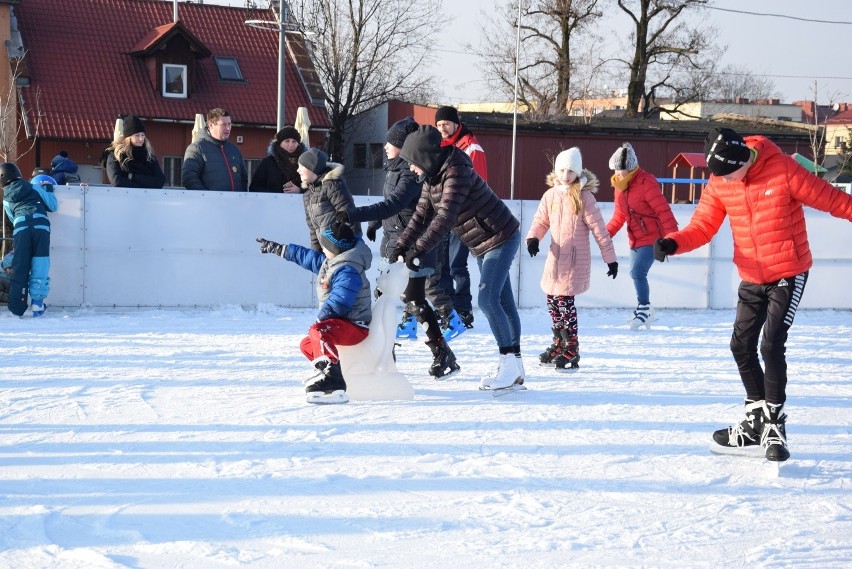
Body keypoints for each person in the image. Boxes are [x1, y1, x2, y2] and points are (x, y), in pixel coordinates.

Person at [654, 126, 852, 462]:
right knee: (740, 345)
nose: (727, 181)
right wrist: (673, 243)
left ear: (743, 159)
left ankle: (775, 425)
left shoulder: (784, 170)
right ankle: (755, 420)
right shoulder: (721, 180)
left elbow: (835, 201)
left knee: (771, 343)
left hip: (789, 271)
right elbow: (702, 226)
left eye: (731, 174)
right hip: (751, 274)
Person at [397, 125, 523, 392]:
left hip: (500, 235)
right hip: (482, 242)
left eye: (412, 163)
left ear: (424, 157)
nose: (411, 169)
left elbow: (444, 218)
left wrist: (418, 249)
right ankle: (515, 368)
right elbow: (421, 217)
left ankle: (510, 363)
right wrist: (400, 245)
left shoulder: (456, 171)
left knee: (488, 300)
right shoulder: (432, 178)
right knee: (503, 301)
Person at [338, 116, 460, 378]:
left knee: (410, 300)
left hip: (411, 247)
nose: (384, 147)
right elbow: (388, 203)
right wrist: (374, 222)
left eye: (389, 143)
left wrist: (355, 214)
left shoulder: (410, 173)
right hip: (390, 245)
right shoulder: (394, 168)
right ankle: (389, 356)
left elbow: (394, 203)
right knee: (384, 299)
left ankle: (438, 353)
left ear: (402, 146)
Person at [256, 220, 372, 404]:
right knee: (307, 344)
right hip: (341, 323)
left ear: (335, 249)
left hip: (355, 326)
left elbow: (341, 300)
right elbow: (307, 258)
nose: (322, 250)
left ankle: (333, 380)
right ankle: (327, 371)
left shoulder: (348, 269)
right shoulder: (332, 262)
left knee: (318, 332)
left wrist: (323, 317)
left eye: (325, 246)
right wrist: (279, 249)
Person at [527, 148, 618, 371]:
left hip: (575, 261)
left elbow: (599, 230)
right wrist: (533, 238)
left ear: (577, 172)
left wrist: (610, 258)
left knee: (565, 304)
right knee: (552, 302)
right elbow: (540, 221)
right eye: (562, 170)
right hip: (556, 258)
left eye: (570, 170)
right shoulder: (550, 195)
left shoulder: (584, 196)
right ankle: (559, 342)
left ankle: (572, 348)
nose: (566, 175)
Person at [606, 142, 678, 329]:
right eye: (615, 171)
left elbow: (664, 211)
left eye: (621, 171)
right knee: (635, 274)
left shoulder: (647, 183)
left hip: (653, 236)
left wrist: (672, 238)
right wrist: (605, 235)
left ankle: (644, 309)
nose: (617, 175)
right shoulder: (619, 187)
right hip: (635, 238)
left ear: (631, 169)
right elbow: (619, 215)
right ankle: (644, 309)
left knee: (637, 272)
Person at [431, 105, 484, 332]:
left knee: (456, 265)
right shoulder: (438, 147)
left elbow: (479, 182)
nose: (443, 128)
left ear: (456, 124)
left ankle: (463, 309)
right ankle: (447, 311)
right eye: (439, 125)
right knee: (440, 264)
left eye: (446, 124)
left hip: (462, 215)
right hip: (441, 215)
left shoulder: (471, 147)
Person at [1, 162, 54, 317]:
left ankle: (17, 308)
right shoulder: (34, 187)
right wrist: (49, 189)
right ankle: (38, 304)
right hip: (41, 228)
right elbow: (53, 205)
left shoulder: (6, 199)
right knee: (40, 264)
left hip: (21, 229)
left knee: (20, 267)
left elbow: (12, 219)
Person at [297, 147, 363, 254]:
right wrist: (315, 253)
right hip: (325, 251)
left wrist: (354, 246)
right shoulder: (308, 195)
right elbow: (313, 229)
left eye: (301, 166)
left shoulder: (332, 186)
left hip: (341, 249)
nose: (298, 170)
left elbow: (349, 214)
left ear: (312, 167)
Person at [181, 108, 248, 191]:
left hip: (235, 202)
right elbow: (189, 178)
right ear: (211, 125)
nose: (228, 128)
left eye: (229, 124)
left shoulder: (234, 150)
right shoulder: (197, 148)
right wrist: (208, 197)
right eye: (223, 124)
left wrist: (241, 196)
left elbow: (243, 179)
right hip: (209, 203)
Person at [104, 115, 166, 189]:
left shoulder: (149, 156)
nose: (141, 138)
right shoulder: (116, 156)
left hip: (147, 198)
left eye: (142, 135)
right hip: (123, 198)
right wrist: (146, 185)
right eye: (137, 135)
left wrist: (132, 177)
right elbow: (117, 181)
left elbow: (160, 181)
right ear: (128, 137)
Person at [250, 125, 307, 193]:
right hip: (272, 202)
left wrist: (300, 190)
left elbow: (314, 188)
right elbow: (255, 187)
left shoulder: (306, 163)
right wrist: (276, 194)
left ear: (298, 143)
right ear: (279, 143)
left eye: (294, 141)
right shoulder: (268, 162)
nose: (291, 145)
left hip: (300, 202)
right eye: (287, 141)